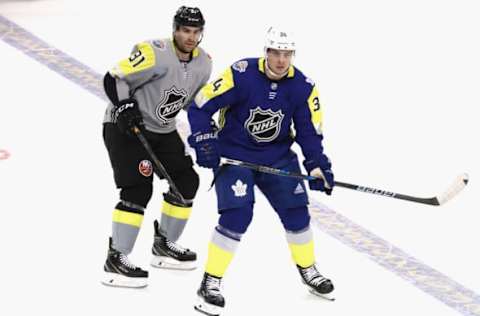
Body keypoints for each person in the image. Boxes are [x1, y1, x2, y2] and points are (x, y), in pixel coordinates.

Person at [188, 26, 335, 315]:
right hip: (235, 157)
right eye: (276, 53)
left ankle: (309, 270)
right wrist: (204, 139)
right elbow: (200, 106)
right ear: (265, 51)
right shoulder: (241, 73)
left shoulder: (304, 86)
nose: (281, 60)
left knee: (297, 213)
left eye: (287, 54)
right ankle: (211, 281)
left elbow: (308, 132)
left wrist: (317, 165)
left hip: (277, 159)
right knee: (237, 215)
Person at [101, 6, 212, 288]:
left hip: (162, 130)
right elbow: (114, 76)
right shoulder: (154, 51)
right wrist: (125, 107)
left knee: (186, 182)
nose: (190, 37)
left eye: (196, 31)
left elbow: (192, 103)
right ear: (175, 29)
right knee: (138, 187)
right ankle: (117, 258)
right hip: (126, 127)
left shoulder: (204, 63)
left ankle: (164, 244)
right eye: (185, 30)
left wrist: (212, 129)